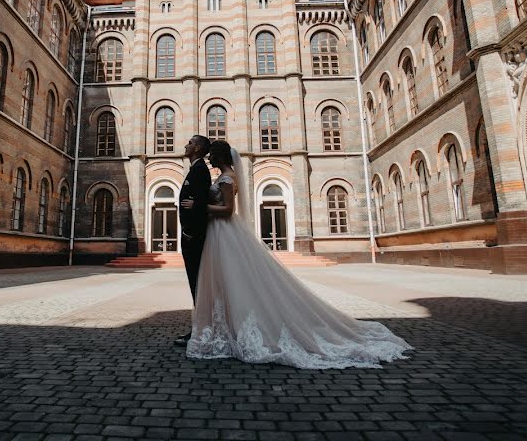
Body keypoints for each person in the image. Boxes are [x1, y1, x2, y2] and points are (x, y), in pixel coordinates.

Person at [180, 140, 412, 369]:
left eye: (212, 155)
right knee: (227, 281)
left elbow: (229, 210)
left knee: (233, 280)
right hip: (219, 234)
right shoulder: (224, 175)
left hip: (225, 232)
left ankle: (234, 327)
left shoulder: (228, 178)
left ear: (220, 157)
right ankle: (228, 326)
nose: (209, 158)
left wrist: (200, 207)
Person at [174, 134, 212, 347]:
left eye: (189, 142)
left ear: (197, 148)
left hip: (193, 238)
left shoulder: (199, 171)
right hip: (191, 236)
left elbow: (201, 202)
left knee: (197, 285)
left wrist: (190, 232)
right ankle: (200, 327)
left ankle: (199, 330)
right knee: (196, 285)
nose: (186, 145)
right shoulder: (196, 169)